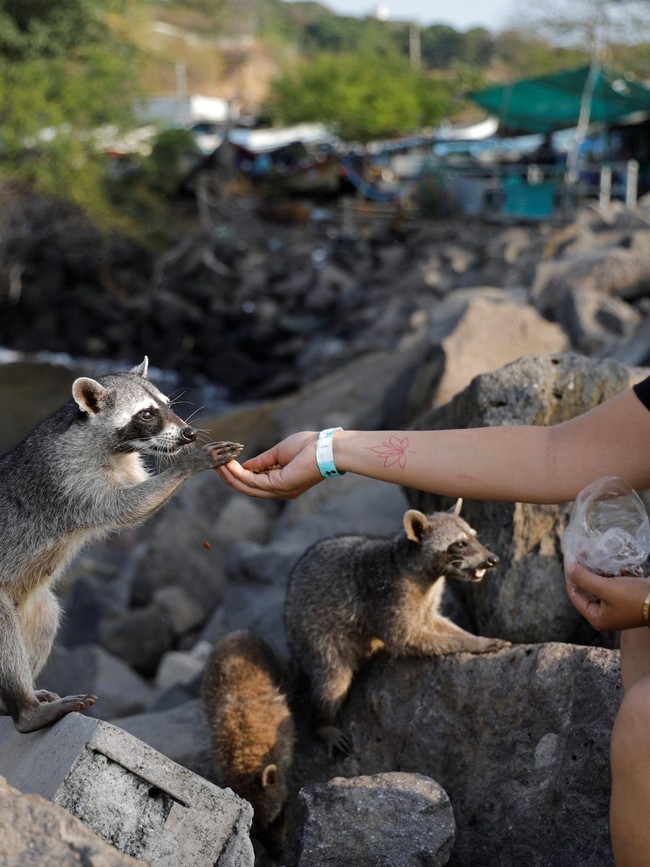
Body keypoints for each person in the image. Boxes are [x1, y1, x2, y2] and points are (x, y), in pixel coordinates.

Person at [216, 374, 650, 867]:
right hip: (333, 632)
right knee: (333, 682)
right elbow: (554, 451)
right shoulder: (397, 573)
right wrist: (329, 449)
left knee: (642, 718)